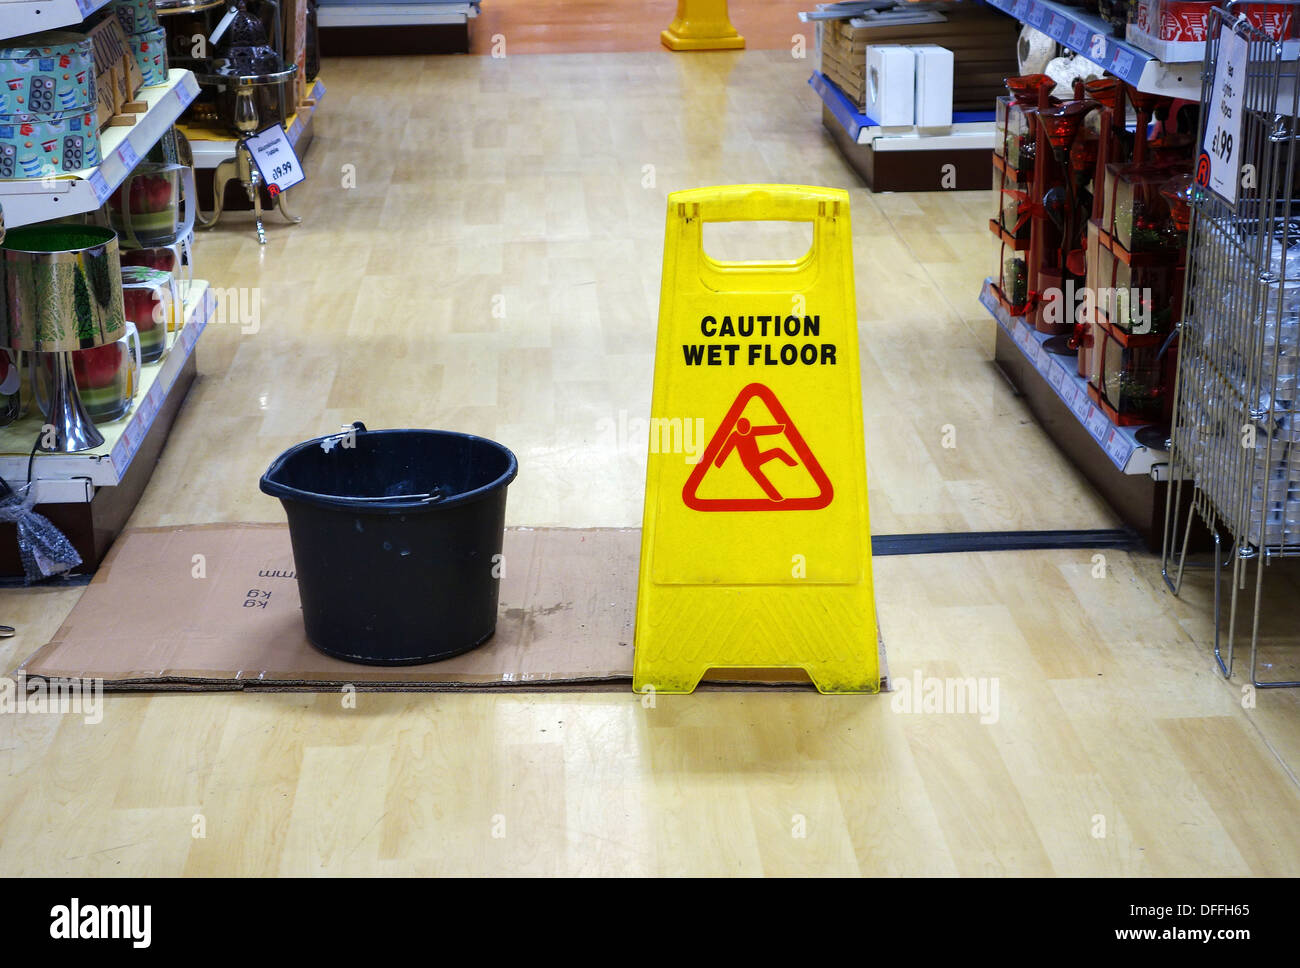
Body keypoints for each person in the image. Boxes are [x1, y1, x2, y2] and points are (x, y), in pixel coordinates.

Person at [714, 416, 796, 501]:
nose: (745, 429)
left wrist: (781, 428)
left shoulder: (752, 430)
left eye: (746, 427)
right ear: (739, 428)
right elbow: (726, 450)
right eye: (743, 427)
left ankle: (794, 465)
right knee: (762, 480)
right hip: (749, 464)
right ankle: (776, 497)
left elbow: (765, 430)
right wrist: (718, 463)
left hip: (758, 457)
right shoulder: (734, 436)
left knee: (777, 451)